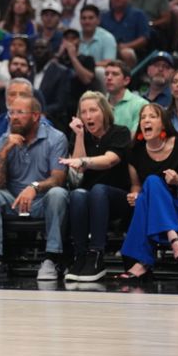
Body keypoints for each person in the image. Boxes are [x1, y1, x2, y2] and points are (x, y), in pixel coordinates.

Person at [0, 96, 69, 281]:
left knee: (58, 194)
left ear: (35, 116)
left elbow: (58, 178)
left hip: (42, 201)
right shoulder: (4, 140)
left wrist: (34, 187)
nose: (14, 117)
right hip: (13, 201)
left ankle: (52, 259)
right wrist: (5, 151)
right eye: (11, 113)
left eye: (20, 112)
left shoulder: (56, 138)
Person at [118, 104, 178, 281]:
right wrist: (134, 194)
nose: (146, 120)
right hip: (159, 205)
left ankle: (142, 262)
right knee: (147, 190)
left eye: (152, 116)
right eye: (143, 117)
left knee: (150, 189)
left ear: (163, 123)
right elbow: (136, 185)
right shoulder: (135, 151)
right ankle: (173, 238)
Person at [59, 93, 132, 282]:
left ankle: (96, 255)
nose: (88, 116)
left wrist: (84, 161)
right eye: (83, 112)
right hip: (91, 199)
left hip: (119, 199)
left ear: (104, 112)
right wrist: (79, 136)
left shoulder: (120, 132)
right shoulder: (80, 136)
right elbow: (77, 173)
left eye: (93, 110)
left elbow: (109, 160)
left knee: (99, 189)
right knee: (77, 194)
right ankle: (80, 255)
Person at [105, 60, 149, 134]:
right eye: (106, 74)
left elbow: (136, 135)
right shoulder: (98, 103)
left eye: (115, 74)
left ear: (126, 80)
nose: (109, 77)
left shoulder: (141, 104)